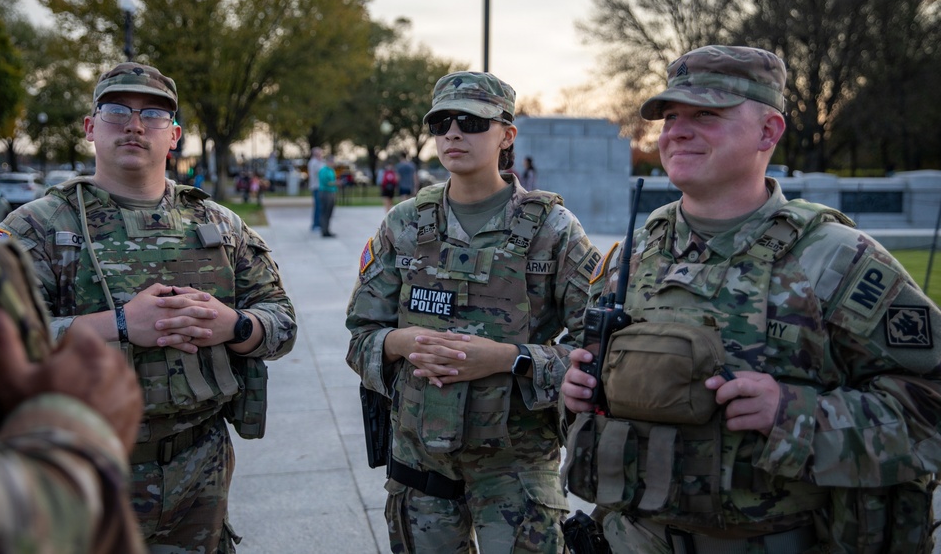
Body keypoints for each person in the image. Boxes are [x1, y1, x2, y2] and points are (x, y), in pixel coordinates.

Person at [560, 45, 941, 553]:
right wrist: (578, 395)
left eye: (706, 115)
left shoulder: (834, 260)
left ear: (769, 131)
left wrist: (791, 413)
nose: (677, 130)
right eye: (671, 116)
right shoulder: (631, 259)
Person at [0, 62, 299, 553]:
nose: (135, 125)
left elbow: (281, 321)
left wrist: (235, 325)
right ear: (91, 128)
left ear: (174, 135)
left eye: (153, 115)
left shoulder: (220, 225)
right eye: (117, 111)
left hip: (200, 468)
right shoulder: (36, 227)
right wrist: (118, 325)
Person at [346, 71, 603, 553]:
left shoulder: (553, 229)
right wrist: (402, 343)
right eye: (441, 123)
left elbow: (598, 349)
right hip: (421, 464)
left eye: (471, 121)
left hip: (517, 470)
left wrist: (510, 358)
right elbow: (361, 335)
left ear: (507, 134)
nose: (453, 133)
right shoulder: (403, 224)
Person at [0, 209, 147, 554]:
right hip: (72, 479)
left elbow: (270, 312)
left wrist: (237, 326)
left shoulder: (218, 221)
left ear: (173, 149)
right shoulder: (31, 221)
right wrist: (73, 423)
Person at [318, 154, 337, 237]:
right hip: (326, 193)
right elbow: (326, 182)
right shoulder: (324, 170)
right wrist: (336, 183)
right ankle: (324, 230)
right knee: (325, 212)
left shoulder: (331, 170)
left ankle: (327, 229)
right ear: (329, 162)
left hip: (331, 192)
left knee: (329, 212)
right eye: (333, 162)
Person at [308, 147, 325, 232]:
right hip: (316, 187)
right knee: (318, 206)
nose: (321, 154)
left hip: (320, 187)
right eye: (320, 153)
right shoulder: (314, 162)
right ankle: (316, 225)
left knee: (320, 206)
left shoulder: (319, 162)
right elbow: (321, 171)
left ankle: (319, 224)